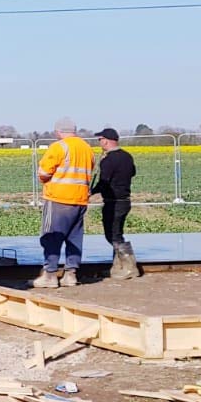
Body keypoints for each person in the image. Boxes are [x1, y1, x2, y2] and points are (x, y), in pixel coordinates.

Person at [33, 118, 95, 289]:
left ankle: (50, 275)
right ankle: (71, 275)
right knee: (74, 238)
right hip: (80, 200)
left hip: (59, 198)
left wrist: (45, 179)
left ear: (59, 132)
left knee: (51, 236)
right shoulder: (86, 148)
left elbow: (44, 172)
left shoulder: (59, 147)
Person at [92, 127, 140, 280]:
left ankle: (129, 267)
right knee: (117, 232)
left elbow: (104, 182)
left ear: (106, 140)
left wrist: (90, 192)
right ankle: (117, 267)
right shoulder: (127, 156)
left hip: (113, 202)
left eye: (100, 140)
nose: (100, 142)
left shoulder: (108, 160)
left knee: (112, 235)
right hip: (125, 200)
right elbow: (132, 172)